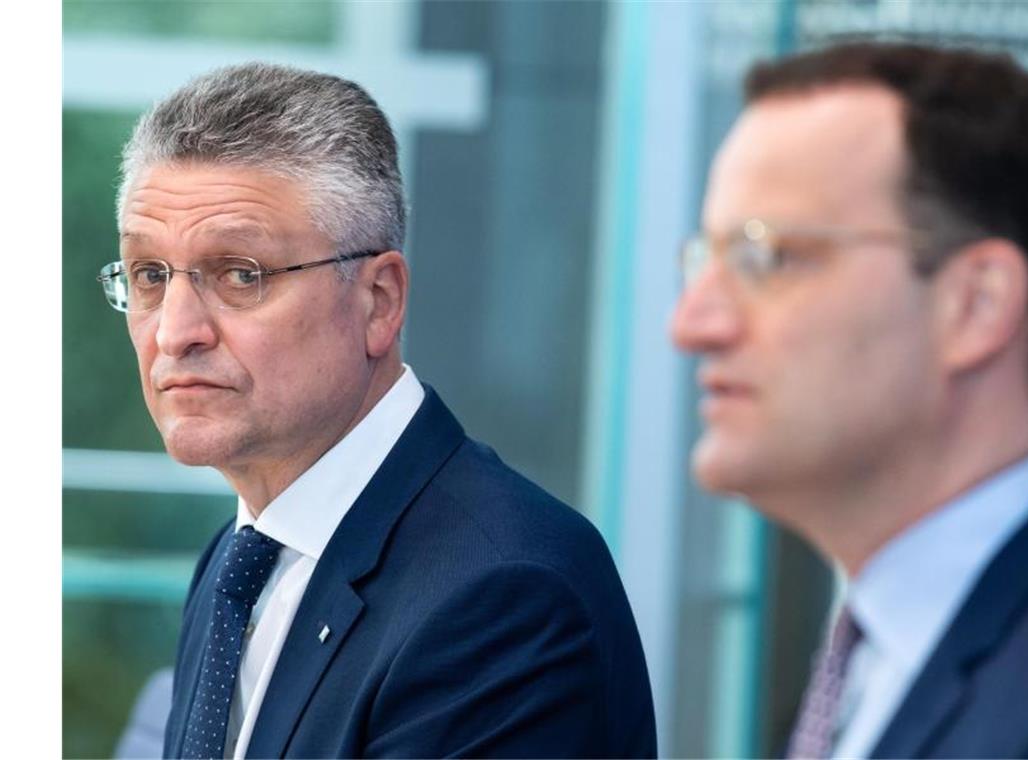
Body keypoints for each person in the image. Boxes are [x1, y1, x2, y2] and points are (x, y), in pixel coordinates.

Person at [98, 62, 656, 759]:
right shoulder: (238, 563)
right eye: (150, 276)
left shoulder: (503, 594)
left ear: (378, 301)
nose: (174, 331)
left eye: (241, 274)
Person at [671, 42, 1028, 758]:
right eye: (705, 260)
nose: (692, 325)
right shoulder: (876, 649)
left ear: (976, 305)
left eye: (769, 257)